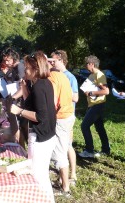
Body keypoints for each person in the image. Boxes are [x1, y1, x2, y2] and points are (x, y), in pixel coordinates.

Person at [10, 51, 56, 203]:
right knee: (40, 173)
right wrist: (24, 88)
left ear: (36, 69)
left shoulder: (39, 87)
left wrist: (19, 111)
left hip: (41, 137)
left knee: (39, 176)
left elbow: (40, 116)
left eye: (28, 68)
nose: (25, 71)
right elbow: (32, 103)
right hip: (47, 135)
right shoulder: (43, 83)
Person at [51, 50, 79, 185]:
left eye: (53, 60)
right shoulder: (57, 75)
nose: (51, 63)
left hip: (66, 115)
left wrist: (63, 93)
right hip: (60, 115)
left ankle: (72, 174)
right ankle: (63, 176)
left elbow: (76, 97)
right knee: (63, 146)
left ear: (61, 60)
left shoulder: (70, 77)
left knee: (68, 146)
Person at [48, 54, 74, 196]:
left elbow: (52, 103)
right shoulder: (62, 76)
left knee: (60, 153)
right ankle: (63, 182)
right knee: (63, 149)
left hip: (61, 117)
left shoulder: (52, 78)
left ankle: (65, 188)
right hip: (68, 115)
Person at [79, 55, 110, 158]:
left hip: (97, 105)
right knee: (100, 127)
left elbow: (106, 91)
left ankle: (89, 150)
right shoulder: (92, 74)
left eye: (86, 64)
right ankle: (106, 149)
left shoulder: (98, 74)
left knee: (84, 126)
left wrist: (91, 93)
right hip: (93, 104)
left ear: (91, 64)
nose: (85, 66)